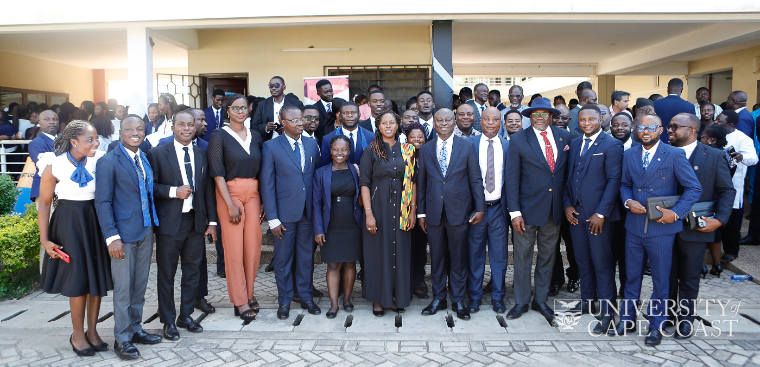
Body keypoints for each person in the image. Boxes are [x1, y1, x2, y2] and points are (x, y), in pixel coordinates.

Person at [612, 114, 701, 346]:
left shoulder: (674, 154)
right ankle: (627, 319)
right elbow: (624, 185)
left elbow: (693, 188)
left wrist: (677, 213)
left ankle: (656, 325)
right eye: (641, 127)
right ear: (635, 129)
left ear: (660, 130)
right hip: (633, 226)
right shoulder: (629, 153)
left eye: (651, 127)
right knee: (631, 277)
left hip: (662, 229)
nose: (645, 131)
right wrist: (627, 202)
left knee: (661, 281)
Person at [37, 121, 112, 357]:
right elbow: (45, 203)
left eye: (96, 139)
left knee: (96, 279)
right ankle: (77, 333)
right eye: (89, 139)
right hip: (68, 223)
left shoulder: (101, 159)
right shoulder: (54, 164)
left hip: (95, 220)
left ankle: (92, 331)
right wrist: (45, 239)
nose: (95, 143)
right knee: (78, 279)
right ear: (74, 141)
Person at [95, 115, 163, 360]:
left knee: (139, 286)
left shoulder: (143, 157)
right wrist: (111, 237)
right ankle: (122, 338)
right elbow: (102, 202)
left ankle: (135, 329)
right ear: (120, 132)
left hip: (145, 229)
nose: (135, 132)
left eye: (139, 128)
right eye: (129, 129)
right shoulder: (108, 161)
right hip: (122, 235)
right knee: (123, 289)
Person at [147, 110, 217, 340]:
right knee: (167, 274)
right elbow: (151, 187)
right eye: (181, 124)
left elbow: (208, 190)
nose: (186, 128)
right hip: (169, 225)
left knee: (193, 272)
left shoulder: (201, 153)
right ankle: (168, 321)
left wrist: (212, 222)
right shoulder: (157, 154)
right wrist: (172, 192)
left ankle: (185, 315)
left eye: (190, 124)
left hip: (195, 223)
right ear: (172, 127)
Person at [667, 113, 735, 339]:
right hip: (664, 227)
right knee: (665, 274)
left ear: (692, 131)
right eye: (669, 126)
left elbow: (727, 191)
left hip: (695, 228)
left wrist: (719, 220)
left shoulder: (714, 156)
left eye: (675, 126)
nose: (670, 130)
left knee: (689, 276)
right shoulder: (663, 152)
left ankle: (685, 319)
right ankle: (666, 315)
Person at [503, 98, 570, 321]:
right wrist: (514, 212)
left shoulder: (564, 138)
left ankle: (540, 300)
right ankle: (521, 301)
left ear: (551, 116)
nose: (540, 118)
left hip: (554, 209)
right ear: (529, 116)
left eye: (544, 114)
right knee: (522, 257)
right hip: (526, 210)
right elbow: (511, 178)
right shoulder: (519, 139)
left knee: (547, 257)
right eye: (535, 114)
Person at [417, 108, 485, 321]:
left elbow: (475, 178)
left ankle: (457, 299)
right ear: (434, 124)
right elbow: (421, 183)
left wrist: (480, 207)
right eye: (440, 120)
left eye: (448, 120)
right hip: (434, 212)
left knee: (458, 257)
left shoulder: (467, 147)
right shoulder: (426, 149)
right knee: (436, 257)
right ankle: (438, 298)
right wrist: (420, 213)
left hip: (459, 210)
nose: (444, 123)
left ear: (455, 122)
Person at [562, 104, 624, 333]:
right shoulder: (576, 142)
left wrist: (601, 213)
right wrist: (567, 204)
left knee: (603, 264)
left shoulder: (612, 144)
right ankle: (587, 301)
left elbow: (614, 181)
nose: (586, 123)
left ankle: (608, 312)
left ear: (601, 120)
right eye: (582, 119)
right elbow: (568, 177)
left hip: (600, 218)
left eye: (591, 119)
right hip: (577, 215)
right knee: (583, 261)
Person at [261, 104, 322, 320]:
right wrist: (273, 219)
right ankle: (285, 300)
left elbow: (316, 178)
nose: (299, 123)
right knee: (283, 259)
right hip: (284, 215)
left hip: (308, 213)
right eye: (294, 120)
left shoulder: (312, 144)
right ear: (283, 122)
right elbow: (267, 184)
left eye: (301, 120)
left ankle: (305, 297)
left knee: (306, 258)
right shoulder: (272, 147)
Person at [208, 94, 265, 322]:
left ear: (249, 110)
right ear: (227, 110)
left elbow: (262, 170)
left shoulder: (256, 135)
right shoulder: (218, 135)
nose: (240, 111)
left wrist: (263, 201)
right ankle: (239, 300)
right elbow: (217, 172)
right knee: (234, 248)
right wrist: (229, 204)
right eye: (235, 108)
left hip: (253, 192)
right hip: (229, 192)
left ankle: (250, 293)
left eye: (244, 108)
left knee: (253, 246)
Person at [361, 109, 418, 316]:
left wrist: (413, 211)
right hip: (379, 207)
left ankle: (398, 297)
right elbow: (365, 183)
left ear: (398, 125)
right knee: (378, 253)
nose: (387, 126)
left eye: (391, 123)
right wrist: (369, 213)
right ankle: (378, 298)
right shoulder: (371, 150)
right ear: (378, 126)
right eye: (384, 123)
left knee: (400, 253)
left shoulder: (408, 149)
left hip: (402, 208)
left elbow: (412, 182)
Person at [313, 135, 362, 319]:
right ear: (330, 151)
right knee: (333, 264)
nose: (339, 153)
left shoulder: (356, 170)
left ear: (349, 151)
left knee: (350, 263)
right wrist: (318, 229)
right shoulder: (321, 172)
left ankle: (347, 299)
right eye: (336, 149)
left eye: (344, 150)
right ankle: (333, 304)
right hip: (331, 223)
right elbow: (316, 203)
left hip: (352, 222)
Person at [466, 107, 509, 314]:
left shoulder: (509, 146)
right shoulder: (469, 145)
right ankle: (474, 297)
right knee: (475, 256)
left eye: (495, 119)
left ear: (501, 122)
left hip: (499, 209)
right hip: (476, 210)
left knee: (499, 256)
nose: (491, 123)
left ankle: (498, 297)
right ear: (480, 122)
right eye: (487, 119)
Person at [714, 110, 758, 263]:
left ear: (731, 124)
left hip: (732, 186)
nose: (716, 122)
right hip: (713, 185)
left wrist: (742, 156)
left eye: (720, 121)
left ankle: (731, 251)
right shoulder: (714, 134)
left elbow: (753, 158)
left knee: (731, 222)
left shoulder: (742, 138)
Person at [548, 104, 580, 297]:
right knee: (552, 245)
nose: (560, 121)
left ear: (570, 120)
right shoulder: (547, 137)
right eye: (557, 117)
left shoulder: (575, 140)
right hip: (550, 203)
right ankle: (556, 279)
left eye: (564, 118)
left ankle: (574, 276)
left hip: (571, 203)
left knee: (572, 244)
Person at [610, 112, 639, 298]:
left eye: (624, 125)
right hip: (609, 211)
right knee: (609, 254)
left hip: (632, 212)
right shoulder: (605, 146)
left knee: (629, 256)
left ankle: (626, 290)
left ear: (632, 128)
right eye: (616, 125)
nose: (620, 128)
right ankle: (606, 290)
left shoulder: (640, 148)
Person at [700, 124, 732, 276]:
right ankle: (717, 265)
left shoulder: (711, 155)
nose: (701, 140)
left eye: (703, 137)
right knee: (716, 236)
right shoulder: (728, 154)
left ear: (711, 140)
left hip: (709, 198)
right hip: (719, 199)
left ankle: (700, 266)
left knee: (700, 233)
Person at [403, 122, 429, 299]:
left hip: (426, 209)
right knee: (406, 248)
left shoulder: (429, 155)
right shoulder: (403, 155)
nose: (417, 140)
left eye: (420, 136)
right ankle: (405, 284)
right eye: (413, 137)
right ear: (407, 139)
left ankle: (418, 282)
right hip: (405, 210)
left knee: (420, 249)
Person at [321, 102, 374, 167]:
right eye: (346, 113)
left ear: (359, 115)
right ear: (340, 116)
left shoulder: (371, 137)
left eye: (353, 113)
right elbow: (325, 167)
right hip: (339, 176)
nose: (350, 115)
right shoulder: (327, 139)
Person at [252, 77, 304, 142]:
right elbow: (254, 126)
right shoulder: (262, 105)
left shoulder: (296, 103)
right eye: (271, 86)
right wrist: (266, 128)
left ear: (284, 87)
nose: (273, 88)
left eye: (277, 85)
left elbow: (303, 123)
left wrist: (288, 129)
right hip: (269, 142)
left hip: (291, 142)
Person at [29, 110, 59, 203]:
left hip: (64, 191)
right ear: (39, 123)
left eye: (55, 119)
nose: (51, 122)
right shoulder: (36, 143)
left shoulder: (65, 141)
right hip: (45, 189)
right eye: (47, 119)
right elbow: (45, 167)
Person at [652, 78, 694, 143]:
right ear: (682, 90)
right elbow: (692, 126)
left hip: (659, 142)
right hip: (680, 142)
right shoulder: (689, 106)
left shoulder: (655, 104)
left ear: (668, 89)